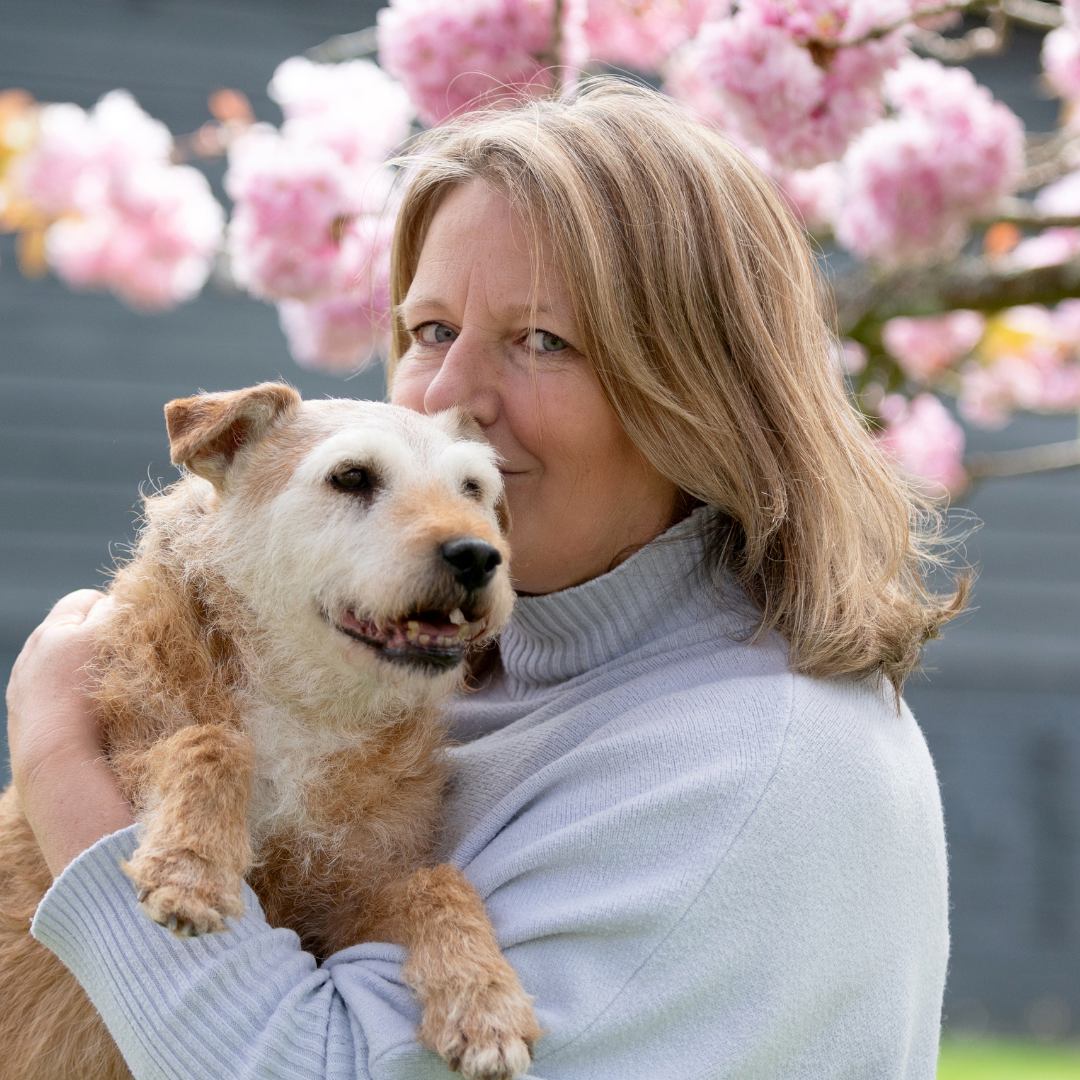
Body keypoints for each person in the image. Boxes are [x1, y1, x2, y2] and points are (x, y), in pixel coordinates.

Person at [7, 80, 963, 1079]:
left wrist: (59, 761)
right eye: (430, 332)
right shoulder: (412, 674)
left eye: (542, 341)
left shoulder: (752, 759)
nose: (448, 401)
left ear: (697, 395)